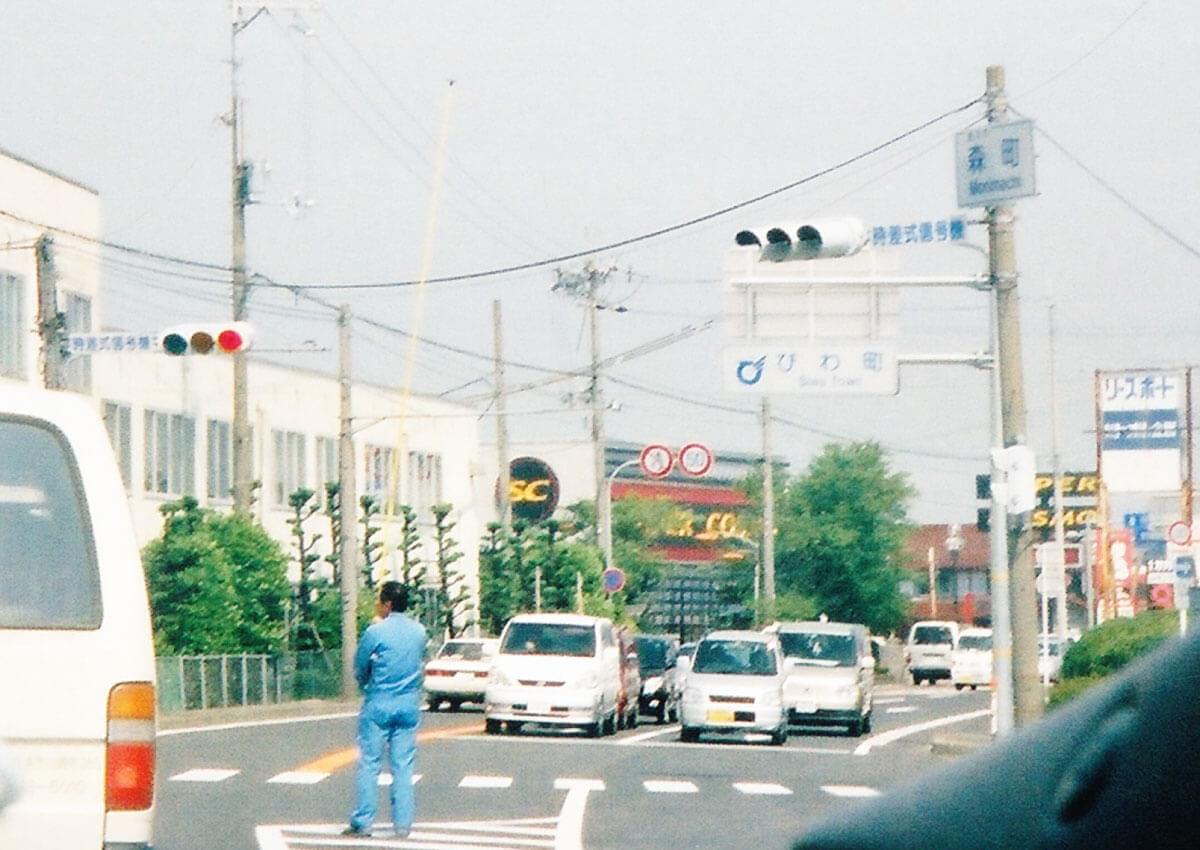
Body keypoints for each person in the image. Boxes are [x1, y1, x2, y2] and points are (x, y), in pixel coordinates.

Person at [343, 581, 427, 839]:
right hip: (409, 703)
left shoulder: (376, 632)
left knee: (370, 763)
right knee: (403, 765)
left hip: (379, 701)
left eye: (380, 600)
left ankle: (363, 821)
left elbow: (360, 667)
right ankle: (402, 825)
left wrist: (366, 681)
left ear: (388, 603)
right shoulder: (420, 632)